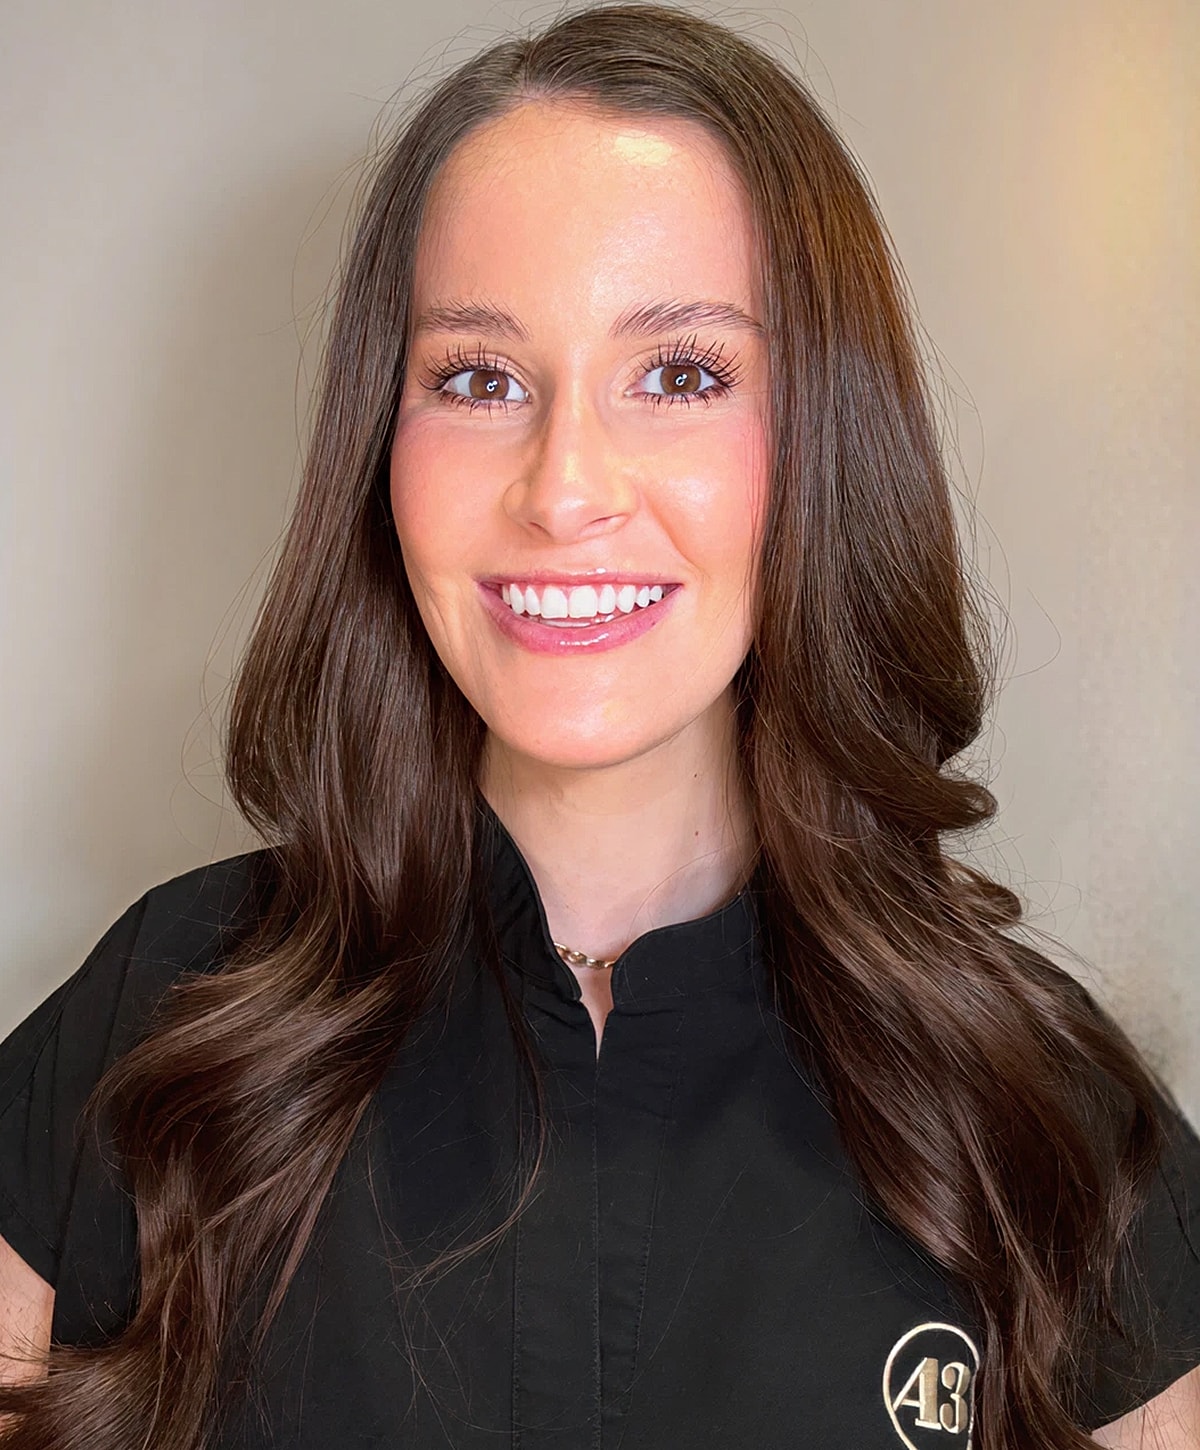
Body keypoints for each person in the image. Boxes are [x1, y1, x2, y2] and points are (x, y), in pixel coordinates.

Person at [1, 5, 1198, 1447]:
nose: (564, 488)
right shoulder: (162, 1015)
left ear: (826, 440)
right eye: (480, 378)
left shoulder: (1051, 1118)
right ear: (382, 447)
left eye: (681, 375)